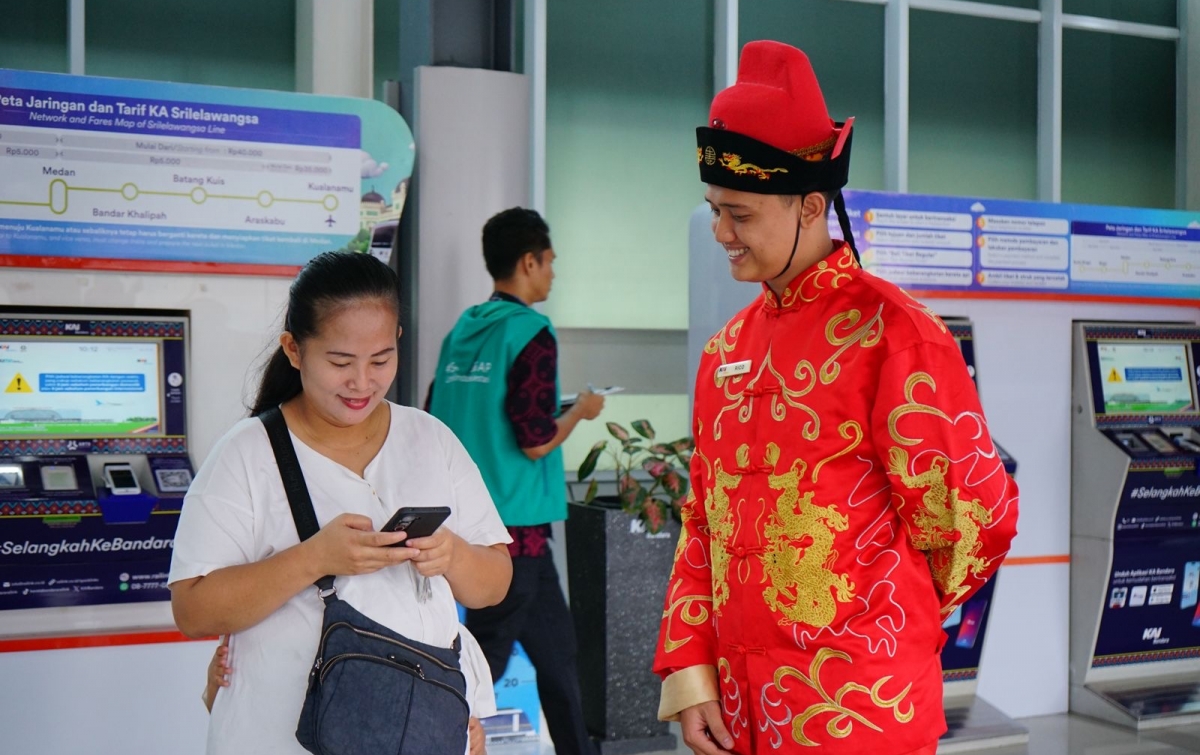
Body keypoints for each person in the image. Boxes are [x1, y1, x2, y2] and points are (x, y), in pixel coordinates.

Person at [653, 41, 1019, 755]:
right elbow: (703, 518)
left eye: (740, 213)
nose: (722, 233)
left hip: (862, 708)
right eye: (714, 210)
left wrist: (880, 609)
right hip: (738, 708)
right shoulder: (725, 350)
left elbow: (975, 514)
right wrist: (692, 672)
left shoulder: (897, 337)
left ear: (810, 204)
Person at [170, 250, 513, 755]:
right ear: (294, 349)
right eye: (339, 362)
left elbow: (494, 584)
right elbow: (193, 610)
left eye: (380, 360)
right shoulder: (248, 453)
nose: (362, 382)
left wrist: (454, 556)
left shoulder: (430, 438)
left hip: (419, 728)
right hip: (281, 734)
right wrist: (314, 558)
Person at [428, 208, 604, 755]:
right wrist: (580, 412)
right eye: (549, 262)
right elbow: (534, 438)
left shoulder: (464, 329)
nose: (552, 273)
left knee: (559, 661)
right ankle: (435, 740)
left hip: (474, 524)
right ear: (528, 261)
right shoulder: (533, 332)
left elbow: (438, 410)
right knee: (479, 665)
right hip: (516, 531)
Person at [202, 625, 496, 755]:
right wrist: (214, 685)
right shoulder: (337, 637)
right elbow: (222, 710)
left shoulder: (459, 642)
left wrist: (478, 743)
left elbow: (474, 734)